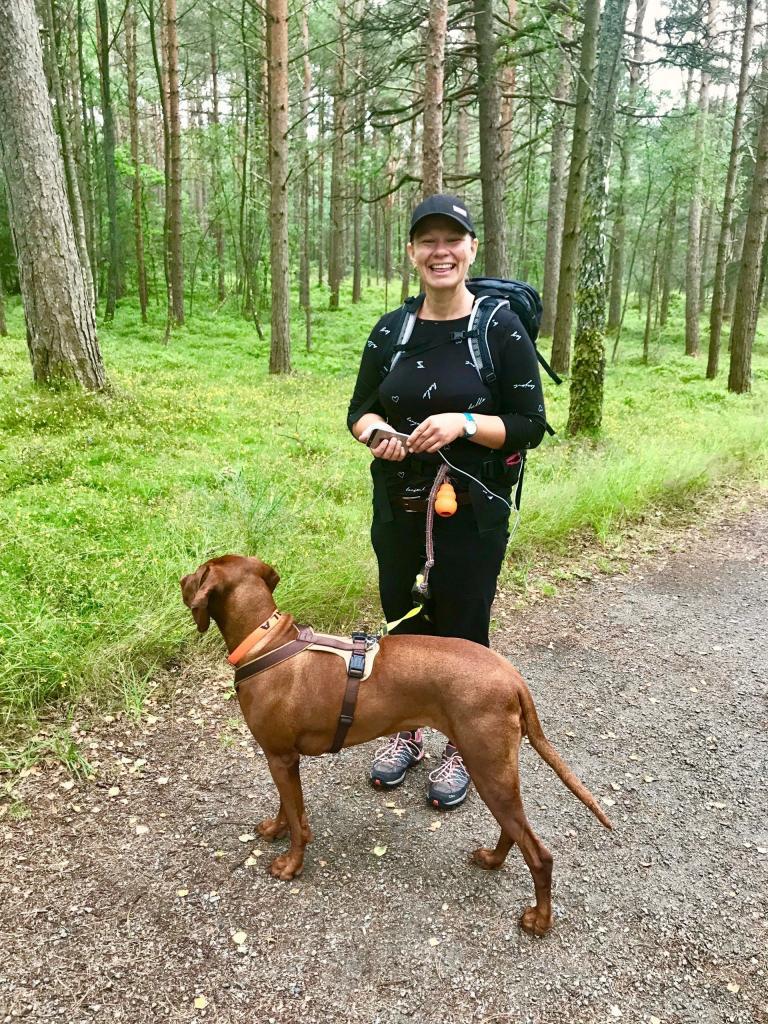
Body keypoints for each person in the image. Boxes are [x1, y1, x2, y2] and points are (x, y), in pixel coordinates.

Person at [347, 194, 546, 809]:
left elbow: (528, 424)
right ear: (411, 253)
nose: (441, 252)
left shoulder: (497, 328)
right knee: (402, 619)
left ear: (471, 250)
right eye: (427, 241)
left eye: (452, 240)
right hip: (399, 503)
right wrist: (379, 434)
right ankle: (406, 729)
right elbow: (360, 409)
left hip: (473, 507)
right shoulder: (392, 329)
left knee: (462, 623)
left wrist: (463, 421)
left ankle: (462, 741)